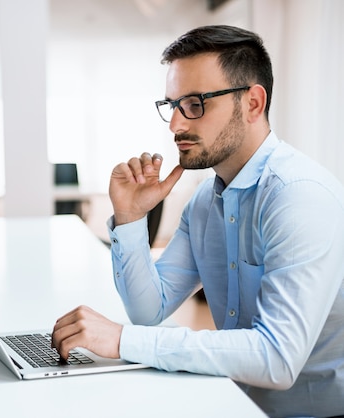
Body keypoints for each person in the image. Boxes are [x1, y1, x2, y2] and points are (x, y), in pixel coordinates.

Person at [51, 25, 344, 418]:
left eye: (195, 103)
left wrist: (123, 341)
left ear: (253, 103)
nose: (175, 125)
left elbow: (277, 358)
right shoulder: (208, 199)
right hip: (232, 397)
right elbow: (149, 309)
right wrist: (131, 218)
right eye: (171, 105)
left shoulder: (298, 196)